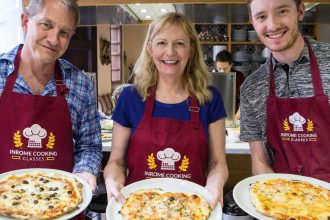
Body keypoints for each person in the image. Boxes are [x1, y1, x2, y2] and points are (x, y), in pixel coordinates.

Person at [103, 12, 229, 207]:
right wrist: (112, 179)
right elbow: (116, 162)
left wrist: (215, 183)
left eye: (179, 43)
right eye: (162, 43)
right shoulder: (130, 98)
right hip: (139, 208)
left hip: (192, 209)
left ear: (191, 49)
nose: (170, 52)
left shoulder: (210, 99)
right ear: (150, 48)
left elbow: (218, 163)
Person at [0, 0, 102, 192]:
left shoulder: (80, 83)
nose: (54, 40)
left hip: (61, 202)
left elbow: (89, 146)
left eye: (64, 33)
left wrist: (85, 172)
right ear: (25, 22)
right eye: (46, 25)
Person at [240, 0, 330, 182]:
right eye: (261, 16)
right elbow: (259, 160)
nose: (272, 25)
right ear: (252, 21)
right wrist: (280, 201)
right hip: (284, 201)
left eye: (281, 11)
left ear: (300, 11)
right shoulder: (251, 88)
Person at [215, 50, 245, 119]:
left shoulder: (239, 76)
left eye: (225, 69)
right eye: (219, 69)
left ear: (231, 65)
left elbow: (244, 99)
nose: (222, 72)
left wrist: (236, 117)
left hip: (234, 115)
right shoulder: (212, 77)